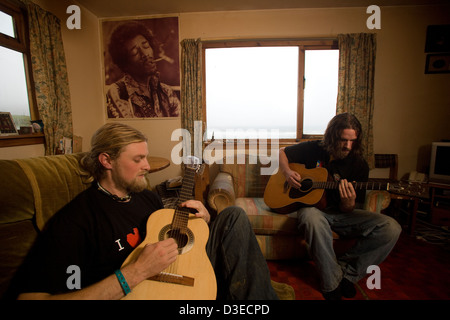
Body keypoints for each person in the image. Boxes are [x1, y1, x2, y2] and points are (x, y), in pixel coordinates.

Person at [13, 122, 277, 300]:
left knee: (233, 216)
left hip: (182, 269)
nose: (148, 166)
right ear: (107, 160)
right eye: (138, 159)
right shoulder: (74, 222)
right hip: (141, 289)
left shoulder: (145, 196)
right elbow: (32, 298)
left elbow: (172, 238)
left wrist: (204, 221)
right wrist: (135, 272)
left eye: (146, 157)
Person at [278, 113, 401, 300]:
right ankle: (331, 284)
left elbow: (350, 210)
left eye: (352, 141)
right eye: (343, 140)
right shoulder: (315, 148)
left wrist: (348, 203)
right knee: (311, 218)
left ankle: (348, 274)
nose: (348, 146)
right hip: (315, 210)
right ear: (333, 136)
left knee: (392, 227)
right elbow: (282, 151)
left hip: (342, 214)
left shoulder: (359, 165)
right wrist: (287, 172)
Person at [106, 22, 180, 118]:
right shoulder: (117, 92)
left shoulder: (166, 91)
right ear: (125, 65)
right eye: (135, 53)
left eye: (146, 46)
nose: (145, 54)